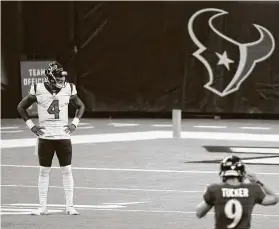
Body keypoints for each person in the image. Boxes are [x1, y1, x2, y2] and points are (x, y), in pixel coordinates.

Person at [17, 61, 85, 215]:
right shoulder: (38, 89)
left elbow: (81, 106)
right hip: (45, 137)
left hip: (63, 136)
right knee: (43, 171)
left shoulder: (69, 88)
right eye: (58, 77)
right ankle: (42, 207)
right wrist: (31, 126)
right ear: (50, 77)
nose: (61, 80)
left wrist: (74, 123)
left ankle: (69, 206)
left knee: (67, 170)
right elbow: (21, 107)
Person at [196, 155, 278, 229]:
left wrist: (208, 196)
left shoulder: (214, 190)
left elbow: (199, 213)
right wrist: (257, 181)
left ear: (223, 173)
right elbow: (274, 198)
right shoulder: (253, 189)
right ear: (242, 173)